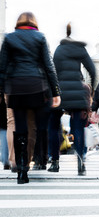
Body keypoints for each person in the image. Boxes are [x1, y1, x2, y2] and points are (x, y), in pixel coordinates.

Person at [0, 12, 61, 184]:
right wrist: (56, 91)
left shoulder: (9, 38)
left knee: (20, 128)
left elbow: (2, 67)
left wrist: (1, 90)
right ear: (34, 22)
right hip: (36, 86)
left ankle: (21, 172)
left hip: (15, 88)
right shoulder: (40, 37)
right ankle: (28, 162)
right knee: (34, 126)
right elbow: (49, 66)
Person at [48, 23, 95, 175]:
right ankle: (80, 161)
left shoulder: (59, 50)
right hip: (77, 91)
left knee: (54, 126)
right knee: (77, 127)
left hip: (61, 92)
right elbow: (92, 70)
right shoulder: (80, 49)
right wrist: (91, 90)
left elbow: (53, 72)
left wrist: (54, 92)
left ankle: (55, 162)